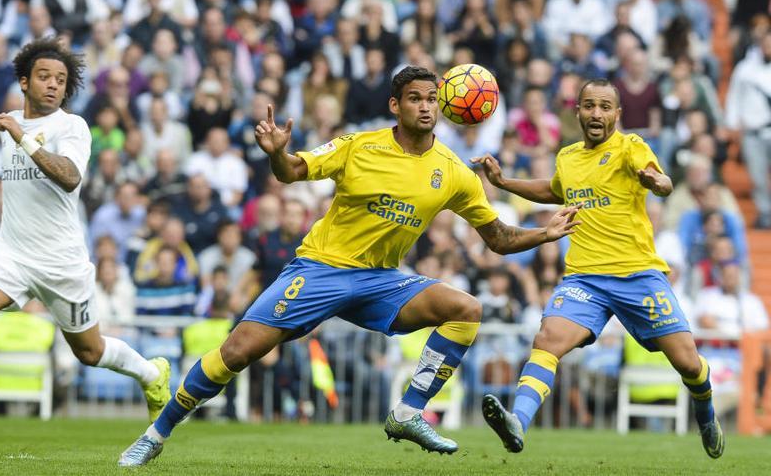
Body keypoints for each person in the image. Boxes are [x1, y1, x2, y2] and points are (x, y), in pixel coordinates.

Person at [118, 66, 580, 466]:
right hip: (321, 268)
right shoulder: (359, 145)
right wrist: (278, 152)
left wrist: (544, 233)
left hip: (381, 281)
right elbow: (293, 172)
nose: (425, 107)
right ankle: (155, 435)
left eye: (432, 100)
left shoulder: (454, 171)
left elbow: (497, 238)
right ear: (395, 105)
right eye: (415, 99)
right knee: (237, 352)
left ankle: (408, 413)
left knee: (466, 309)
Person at [0, 38, 171, 445]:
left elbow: (70, 176)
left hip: (61, 261)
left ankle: (152, 374)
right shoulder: (9, 125)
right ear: (23, 81)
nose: (53, 85)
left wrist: (23, 137)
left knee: (88, 352)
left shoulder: (71, 126)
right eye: (44, 77)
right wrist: (17, 133)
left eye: (61, 80)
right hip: (11, 252)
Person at [476, 79, 723, 459]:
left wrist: (658, 182)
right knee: (546, 341)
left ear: (617, 114)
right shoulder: (568, 158)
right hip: (585, 278)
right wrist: (504, 182)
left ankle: (705, 413)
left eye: (605, 107)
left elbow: (662, 180)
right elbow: (554, 190)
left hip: (637, 275)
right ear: (577, 111)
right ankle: (517, 422)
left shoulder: (630, 148)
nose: (596, 113)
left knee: (689, 363)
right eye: (589, 106)